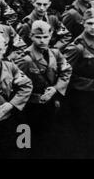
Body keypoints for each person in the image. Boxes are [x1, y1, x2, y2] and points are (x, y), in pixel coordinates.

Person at [15, 20, 71, 158]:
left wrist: (56, 88)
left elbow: (67, 70)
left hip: (50, 103)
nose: (42, 40)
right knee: (26, 140)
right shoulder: (25, 58)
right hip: (30, 106)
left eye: (45, 37)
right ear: (31, 36)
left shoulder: (55, 53)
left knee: (47, 137)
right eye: (38, 37)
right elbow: (16, 84)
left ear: (51, 35)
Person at [64, 8, 94, 158]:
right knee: (84, 130)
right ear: (83, 23)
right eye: (90, 23)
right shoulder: (77, 47)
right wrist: (91, 83)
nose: (93, 27)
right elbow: (66, 73)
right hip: (82, 95)